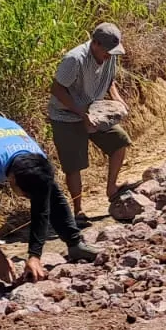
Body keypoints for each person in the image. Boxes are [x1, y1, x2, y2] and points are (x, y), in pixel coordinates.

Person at [0, 114, 98, 302]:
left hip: (1, 129)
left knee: (51, 192)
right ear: (12, 179)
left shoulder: (38, 162)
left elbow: (41, 209)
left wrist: (34, 256)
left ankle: (74, 243)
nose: (29, 199)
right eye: (26, 194)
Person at [48, 23, 132, 222]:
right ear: (95, 43)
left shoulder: (109, 56)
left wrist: (117, 99)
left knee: (120, 141)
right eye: (107, 51)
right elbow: (57, 90)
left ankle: (112, 188)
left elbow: (109, 80)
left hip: (95, 110)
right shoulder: (74, 59)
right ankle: (78, 210)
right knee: (74, 165)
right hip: (66, 115)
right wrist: (80, 113)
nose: (110, 56)